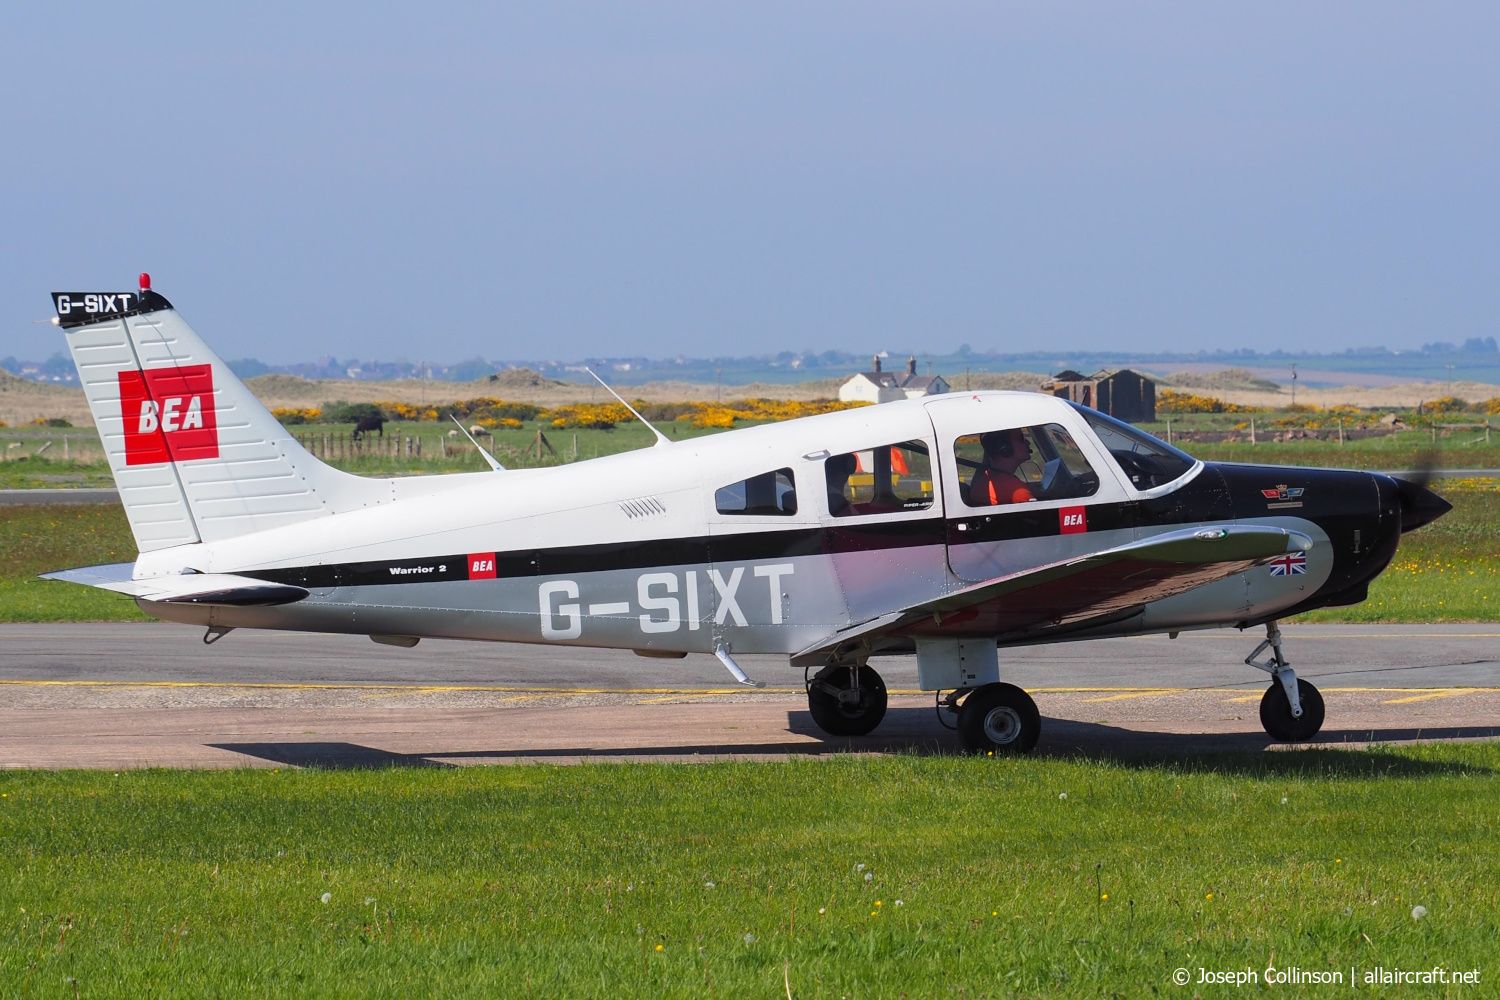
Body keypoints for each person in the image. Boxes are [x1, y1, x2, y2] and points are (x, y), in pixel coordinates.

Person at [969, 428, 1036, 506]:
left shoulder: (982, 479)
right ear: (1005, 449)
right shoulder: (1018, 491)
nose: (1028, 442)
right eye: (1021, 439)